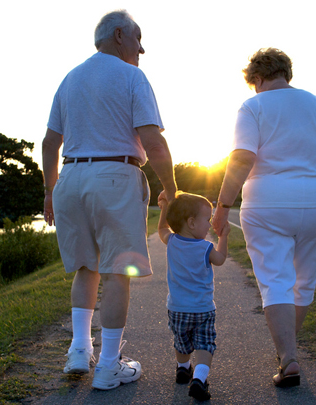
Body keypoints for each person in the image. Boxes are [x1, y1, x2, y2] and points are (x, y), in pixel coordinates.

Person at [42, 10, 177, 391]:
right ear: (119, 36)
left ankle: (79, 351)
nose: (142, 48)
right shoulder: (132, 76)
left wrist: (50, 190)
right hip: (115, 174)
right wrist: (172, 187)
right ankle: (109, 366)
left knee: (87, 267)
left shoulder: (70, 79)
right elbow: (153, 141)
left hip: (70, 177)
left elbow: (50, 143)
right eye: (138, 39)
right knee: (120, 270)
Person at [211, 48, 316, 387]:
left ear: (258, 78)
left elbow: (242, 159)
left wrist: (222, 207)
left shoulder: (253, 106)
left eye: (254, 83)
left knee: (274, 281)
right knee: (303, 281)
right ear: (286, 73)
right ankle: (287, 351)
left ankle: (289, 357)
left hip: (269, 201)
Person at [157, 191, 230, 401]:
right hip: (203, 309)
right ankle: (198, 379)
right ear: (191, 222)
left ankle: (182, 368)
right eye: (206, 220)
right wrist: (223, 237)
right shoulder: (206, 247)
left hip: (177, 308)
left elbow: (161, 228)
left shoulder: (171, 241)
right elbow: (221, 259)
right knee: (205, 344)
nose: (209, 225)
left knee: (182, 342)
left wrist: (163, 209)